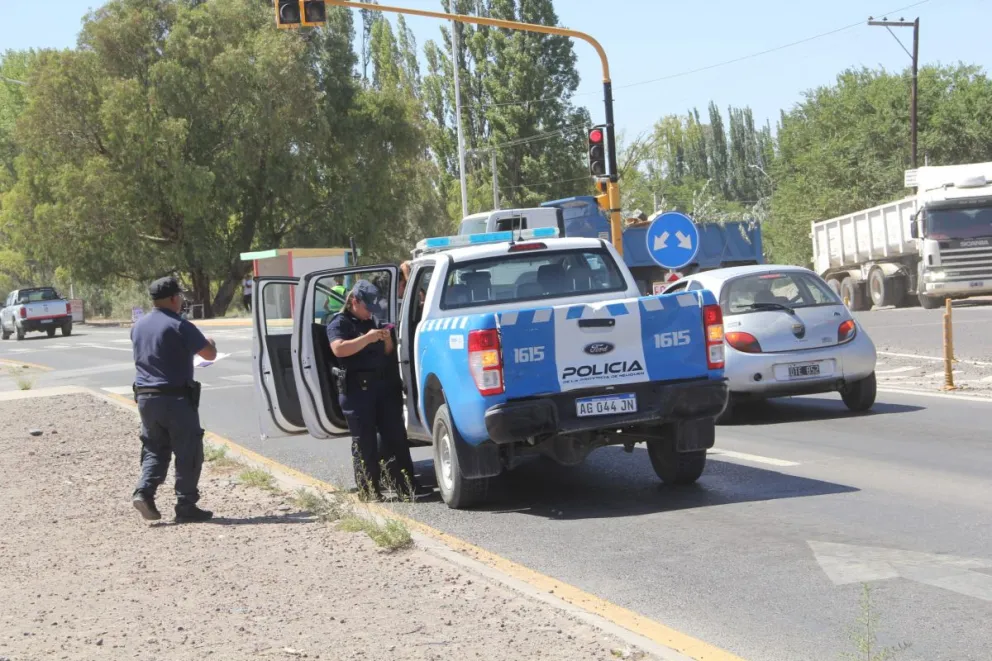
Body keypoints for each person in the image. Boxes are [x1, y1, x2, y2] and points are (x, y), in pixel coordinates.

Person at [326, 280, 430, 501]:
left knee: (395, 438)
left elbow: (388, 353)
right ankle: (370, 491)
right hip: (357, 391)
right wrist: (367, 338)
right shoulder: (339, 322)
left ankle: (406, 487)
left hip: (384, 388)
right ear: (354, 301)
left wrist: (386, 338)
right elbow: (339, 349)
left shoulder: (375, 321)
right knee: (364, 442)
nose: (370, 312)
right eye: (367, 307)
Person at [130, 276, 218, 523]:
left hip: (146, 398)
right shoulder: (179, 325)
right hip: (175, 398)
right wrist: (210, 342)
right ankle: (186, 505)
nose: (181, 300)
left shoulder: (138, 326)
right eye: (179, 296)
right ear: (173, 298)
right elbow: (209, 354)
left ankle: (144, 492)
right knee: (188, 450)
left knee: (155, 448)